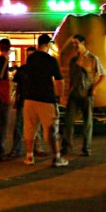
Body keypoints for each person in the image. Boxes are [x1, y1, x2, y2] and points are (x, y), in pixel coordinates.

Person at [22, 34, 68, 167]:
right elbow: (59, 80)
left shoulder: (30, 58)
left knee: (30, 127)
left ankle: (29, 156)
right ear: (48, 45)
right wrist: (59, 96)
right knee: (52, 128)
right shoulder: (51, 60)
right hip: (46, 98)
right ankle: (57, 157)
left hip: (29, 98)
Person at [62, 34, 105, 157]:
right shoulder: (73, 60)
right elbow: (70, 78)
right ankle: (66, 147)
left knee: (87, 122)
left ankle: (86, 148)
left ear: (83, 43)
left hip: (87, 93)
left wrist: (95, 88)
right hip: (74, 93)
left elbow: (102, 75)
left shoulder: (93, 58)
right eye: (73, 43)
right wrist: (66, 93)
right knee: (68, 121)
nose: (74, 46)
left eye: (76, 43)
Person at [8, 46, 44, 158]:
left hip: (36, 100)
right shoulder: (22, 69)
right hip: (23, 100)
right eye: (28, 55)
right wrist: (14, 98)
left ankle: (38, 148)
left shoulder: (40, 69)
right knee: (19, 126)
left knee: (36, 126)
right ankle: (16, 149)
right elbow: (17, 84)